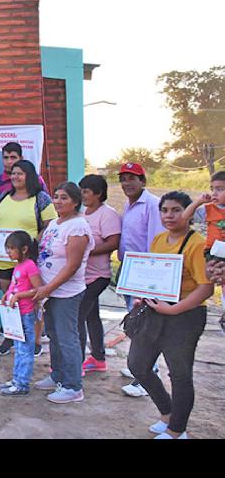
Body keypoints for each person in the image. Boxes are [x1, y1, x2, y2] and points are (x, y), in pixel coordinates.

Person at [127, 191, 214, 439]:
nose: (169, 215)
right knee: (138, 364)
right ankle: (167, 413)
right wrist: (141, 294)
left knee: (179, 373)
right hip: (156, 311)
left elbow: (206, 288)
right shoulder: (158, 240)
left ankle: (177, 430)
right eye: (164, 210)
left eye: (176, 210)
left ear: (188, 213)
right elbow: (152, 275)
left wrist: (174, 309)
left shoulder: (197, 244)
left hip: (186, 315)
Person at [32, 182, 94, 404]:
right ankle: (58, 375)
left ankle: (73, 386)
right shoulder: (55, 224)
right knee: (55, 336)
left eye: (64, 198)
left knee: (67, 338)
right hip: (49, 291)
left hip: (65, 292)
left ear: (75, 201)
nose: (58, 201)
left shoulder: (77, 227)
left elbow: (72, 266)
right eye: (56, 197)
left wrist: (47, 288)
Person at [0, 160, 57, 356]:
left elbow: (49, 224)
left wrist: (35, 242)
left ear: (30, 175)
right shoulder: (3, 197)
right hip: (3, 258)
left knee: (33, 300)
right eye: (13, 173)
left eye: (20, 173)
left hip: (28, 260)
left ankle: (35, 340)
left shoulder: (41, 198)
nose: (15, 177)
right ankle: (11, 335)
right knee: (10, 298)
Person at [117, 162, 164, 397]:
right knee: (133, 321)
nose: (126, 184)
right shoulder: (129, 205)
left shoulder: (152, 204)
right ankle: (137, 367)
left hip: (144, 272)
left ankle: (146, 376)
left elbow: (155, 242)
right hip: (129, 269)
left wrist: (147, 280)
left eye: (131, 178)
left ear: (143, 181)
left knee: (144, 324)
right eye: (123, 179)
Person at [78, 174, 121, 374]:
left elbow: (113, 243)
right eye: (81, 191)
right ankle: (98, 358)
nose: (82, 195)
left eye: (86, 191)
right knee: (91, 316)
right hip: (82, 275)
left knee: (78, 315)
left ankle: (75, 362)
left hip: (98, 276)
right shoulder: (82, 212)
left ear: (98, 193)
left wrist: (84, 251)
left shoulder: (108, 214)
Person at [0, 231, 44, 396]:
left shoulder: (30, 265)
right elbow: (15, 284)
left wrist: (18, 296)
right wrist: (7, 294)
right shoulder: (18, 266)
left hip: (26, 313)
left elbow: (38, 289)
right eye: (7, 248)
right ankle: (16, 379)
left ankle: (22, 383)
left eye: (11, 248)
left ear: (24, 249)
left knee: (25, 349)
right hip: (16, 314)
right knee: (18, 348)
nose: (8, 252)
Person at [182, 171, 225, 264]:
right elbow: (186, 216)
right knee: (214, 275)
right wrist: (199, 202)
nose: (214, 193)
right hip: (213, 252)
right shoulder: (209, 209)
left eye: (220, 189)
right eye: (212, 189)